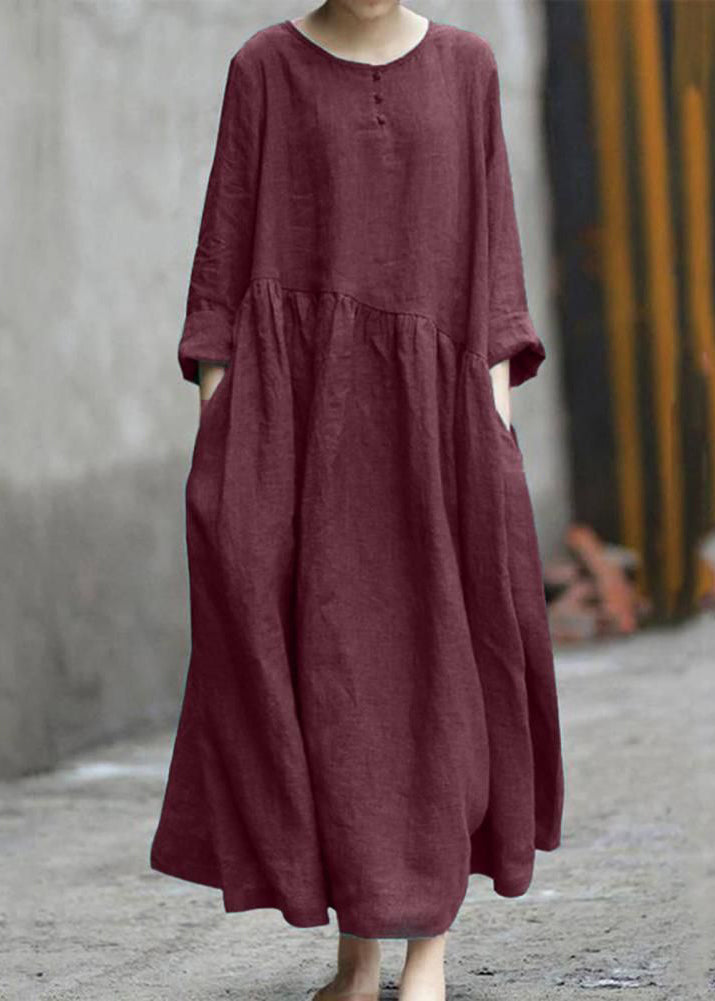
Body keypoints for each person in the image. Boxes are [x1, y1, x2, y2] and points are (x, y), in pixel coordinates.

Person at [149, 3, 565, 999]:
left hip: (437, 428)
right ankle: (357, 954)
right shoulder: (263, 67)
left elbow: (492, 268)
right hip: (297, 431)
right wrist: (227, 440)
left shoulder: (467, 67)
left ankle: (427, 955)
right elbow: (222, 267)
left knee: (439, 672)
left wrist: (491, 428)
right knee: (325, 681)